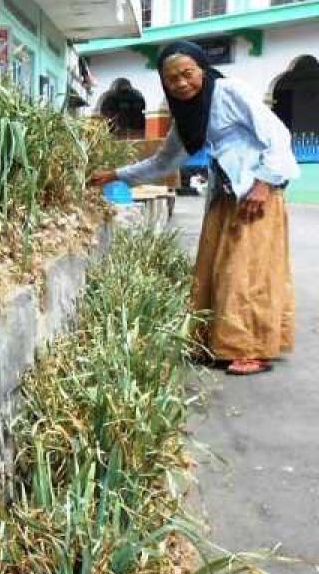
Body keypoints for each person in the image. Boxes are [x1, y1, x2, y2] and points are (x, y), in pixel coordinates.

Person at [90, 41, 300, 376]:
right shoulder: (186, 118)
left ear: (202, 68)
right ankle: (214, 342)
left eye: (188, 73)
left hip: (256, 195)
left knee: (246, 272)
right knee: (212, 269)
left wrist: (265, 182)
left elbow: (277, 135)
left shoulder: (230, 92)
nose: (182, 83)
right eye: (172, 79)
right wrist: (114, 175)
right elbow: (163, 161)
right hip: (225, 197)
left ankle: (251, 347)